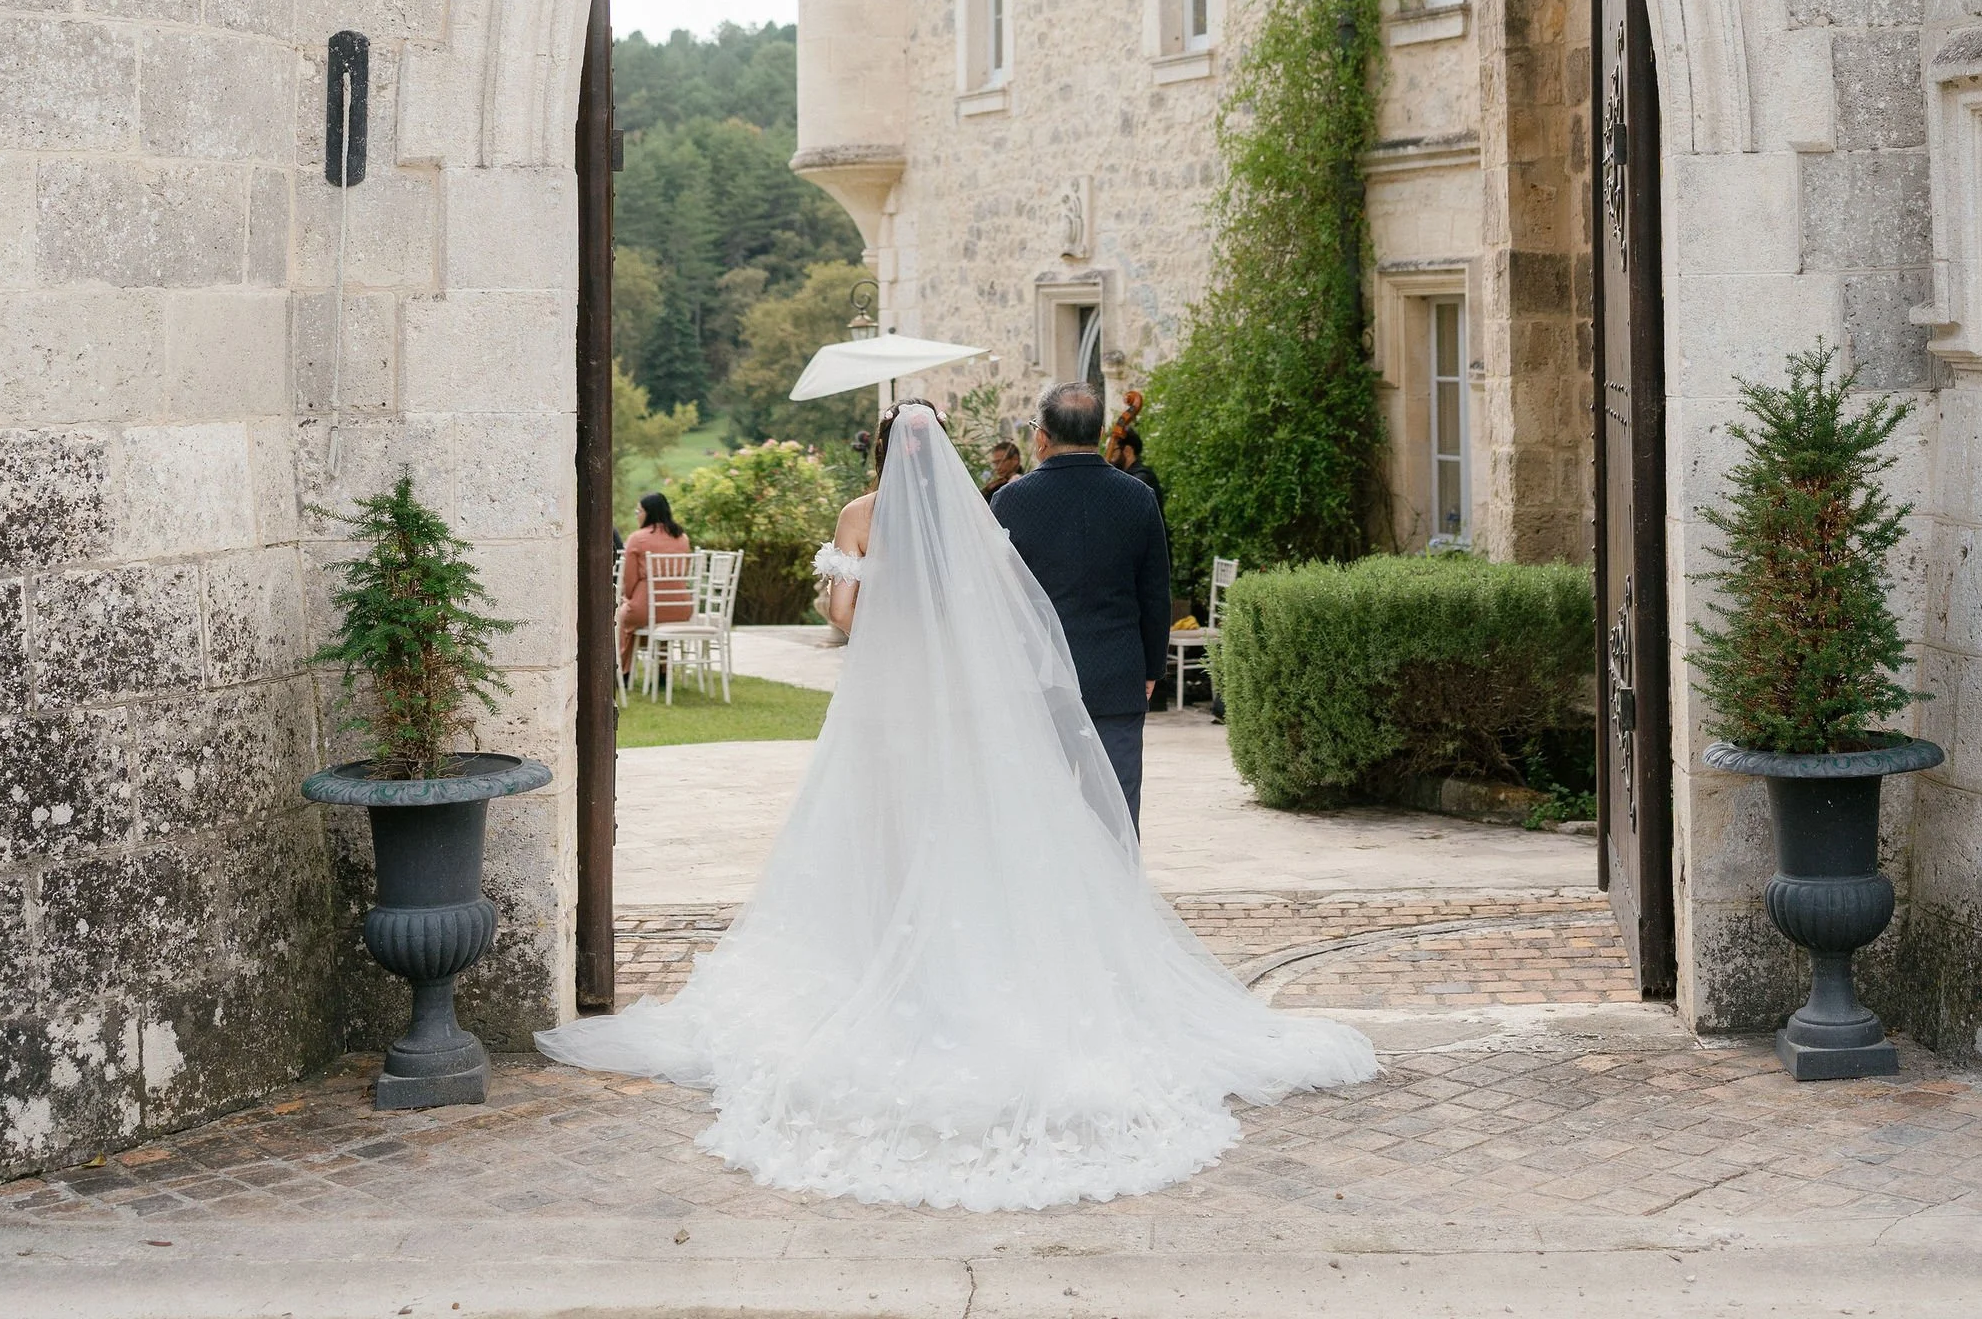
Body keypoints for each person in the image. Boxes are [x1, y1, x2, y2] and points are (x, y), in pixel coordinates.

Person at [537, 402, 1373, 1208]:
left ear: (881, 448)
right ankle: (965, 945)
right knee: (965, 820)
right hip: (962, 701)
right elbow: (997, 612)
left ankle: (885, 949)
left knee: (883, 824)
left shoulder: (859, 514)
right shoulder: (978, 512)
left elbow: (841, 619)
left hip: (887, 701)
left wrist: (878, 614)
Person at [989, 382, 1169, 836]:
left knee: (1037, 803)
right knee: (1116, 808)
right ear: (1101, 430)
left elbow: (998, 596)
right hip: (1116, 672)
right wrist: (1149, 668)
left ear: (1042, 436)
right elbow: (1154, 593)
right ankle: (1119, 899)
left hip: (1038, 677)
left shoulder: (1010, 500)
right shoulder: (1138, 498)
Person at [615, 489, 692, 680]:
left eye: (638, 511)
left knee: (624, 616)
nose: (637, 515)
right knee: (654, 621)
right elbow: (685, 572)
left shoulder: (638, 538)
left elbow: (629, 579)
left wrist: (629, 598)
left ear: (648, 513)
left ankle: (624, 671)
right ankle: (663, 670)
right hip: (680, 607)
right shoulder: (682, 538)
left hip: (646, 605)